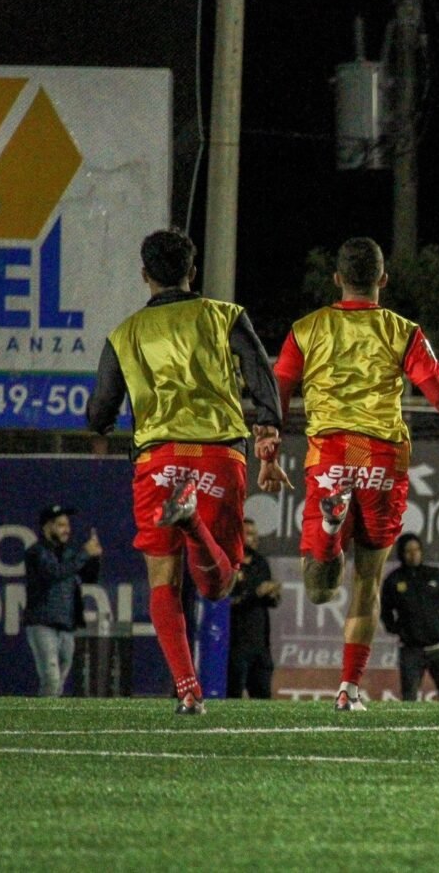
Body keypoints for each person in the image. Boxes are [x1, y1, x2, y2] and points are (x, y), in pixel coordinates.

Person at [267, 236, 439, 711]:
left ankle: (331, 530)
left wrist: (267, 447)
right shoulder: (402, 330)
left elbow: (278, 390)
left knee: (319, 587)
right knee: (367, 584)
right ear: (383, 281)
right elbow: (437, 391)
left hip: (330, 456)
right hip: (381, 460)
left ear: (337, 279)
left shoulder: (307, 328)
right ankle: (349, 690)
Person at [87, 228, 283, 716]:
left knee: (162, 580)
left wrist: (109, 420)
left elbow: (98, 413)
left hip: (158, 457)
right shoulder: (223, 316)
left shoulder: (125, 333)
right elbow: (259, 371)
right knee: (219, 584)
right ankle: (192, 521)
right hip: (219, 452)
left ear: (144, 275)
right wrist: (268, 425)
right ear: (192, 271)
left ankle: (188, 689)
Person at [23, 504, 103, 697]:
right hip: (43, 623)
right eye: (60, 525)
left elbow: (90, 578)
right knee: (51, 677)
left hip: (67, 624)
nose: (66, 529)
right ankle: (42, 721)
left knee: (59, 681)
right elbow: (54, 573)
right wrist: (84, 554)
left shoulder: (69, 554)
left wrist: (95, 557)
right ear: (47, 527)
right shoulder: (36, 552)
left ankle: (49, 719)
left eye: (67, 525)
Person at [381, 533, 439, 702]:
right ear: (401, 554)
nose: (414, 554)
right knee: (409, 697)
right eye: (408, 551)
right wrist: (399, 631)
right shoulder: (394, 580)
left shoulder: (435, 575)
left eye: (417, 550)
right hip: (411, 649)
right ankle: (409, 727)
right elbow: (385, 611)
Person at [228, 518, 279, 699]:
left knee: (263, 696)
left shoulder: (260, 563)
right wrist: (256, 593)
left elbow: (269, 602)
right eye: (249, 535)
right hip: (235, 644)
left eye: (256, 535)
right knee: (232, 695)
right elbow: (228, 603)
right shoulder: (229, 565)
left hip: (260, 644)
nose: (255, 539)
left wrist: (273, 595)